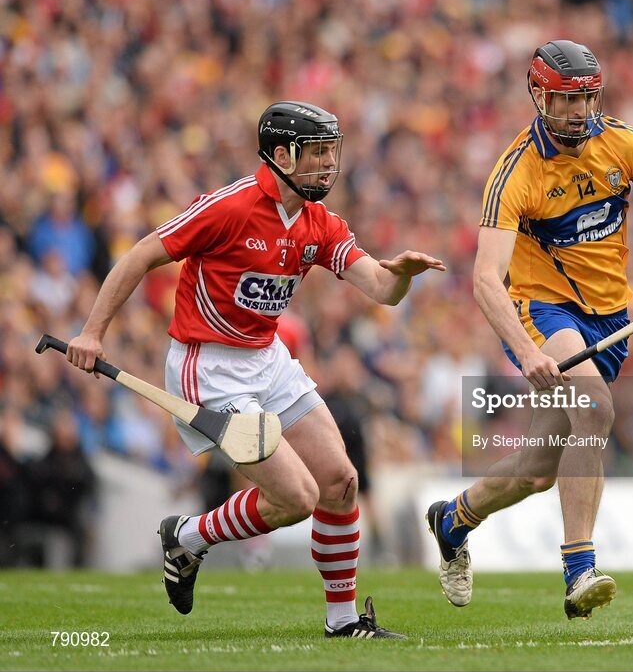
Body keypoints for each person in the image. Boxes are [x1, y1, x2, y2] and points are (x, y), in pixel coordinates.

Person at [67, 101, 445, 639]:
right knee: (296, 499)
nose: (327, 164)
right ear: (282, 153)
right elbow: (139, 256)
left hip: (268, 361)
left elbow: (382, 290)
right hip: (209, 366)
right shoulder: (230, 207)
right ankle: (191, 535)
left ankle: (341, 622)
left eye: (330, 152)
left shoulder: (320, 222)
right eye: (317, 153)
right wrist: (93, 331)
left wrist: (402, 275)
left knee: (340, 482)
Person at [425, 41, 633, 619]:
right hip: (543, 312)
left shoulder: (625, 144)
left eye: (586, 98)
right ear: (537, 95)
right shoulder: (516, 172)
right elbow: (486, 280)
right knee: (593, 407)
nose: (576, 111)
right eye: (565, 99)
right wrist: (524, 350)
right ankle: (578, 570)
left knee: (537, 471)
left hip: (611, 318)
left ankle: (453, 517)